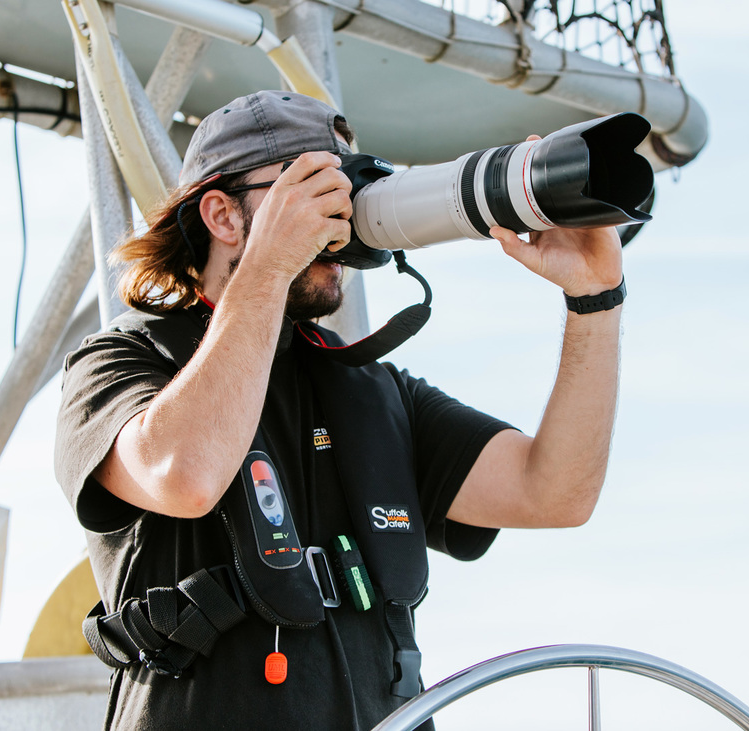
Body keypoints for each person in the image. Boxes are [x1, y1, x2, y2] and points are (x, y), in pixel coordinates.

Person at [54, 90, 626, 730]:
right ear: (222, 214)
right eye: (310, 191)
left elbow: (554, 493)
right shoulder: (120, 363)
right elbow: (184, 474)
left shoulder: (372, 390)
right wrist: (269, 267)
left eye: (344, 194)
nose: (339, 220)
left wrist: (594, 300)